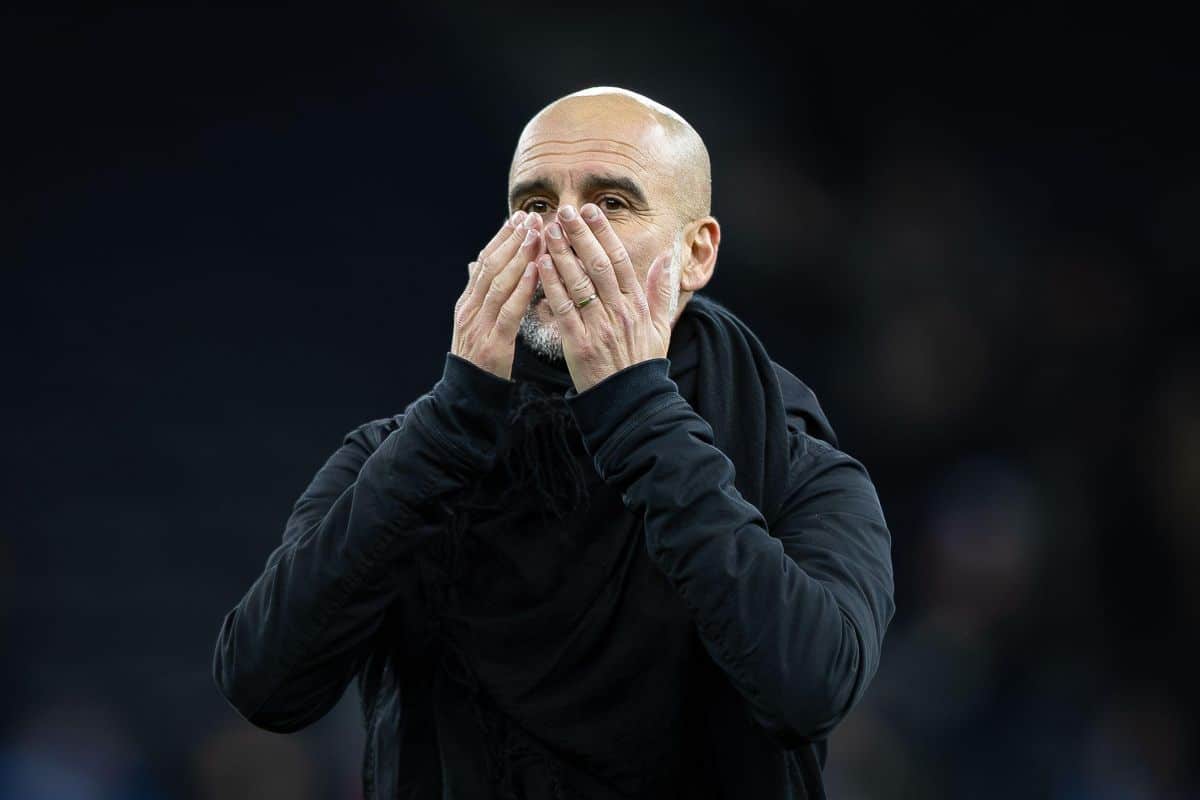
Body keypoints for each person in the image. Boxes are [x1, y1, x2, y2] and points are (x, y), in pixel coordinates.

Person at [212, 86, 895, 800]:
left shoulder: (798, 470)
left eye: (611, 203)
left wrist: (634, 410)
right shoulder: (403, 456)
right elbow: (264, 683)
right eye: (534, 204)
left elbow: (809, 690)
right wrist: (450, 424)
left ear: (696, 254)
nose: (563, 230)